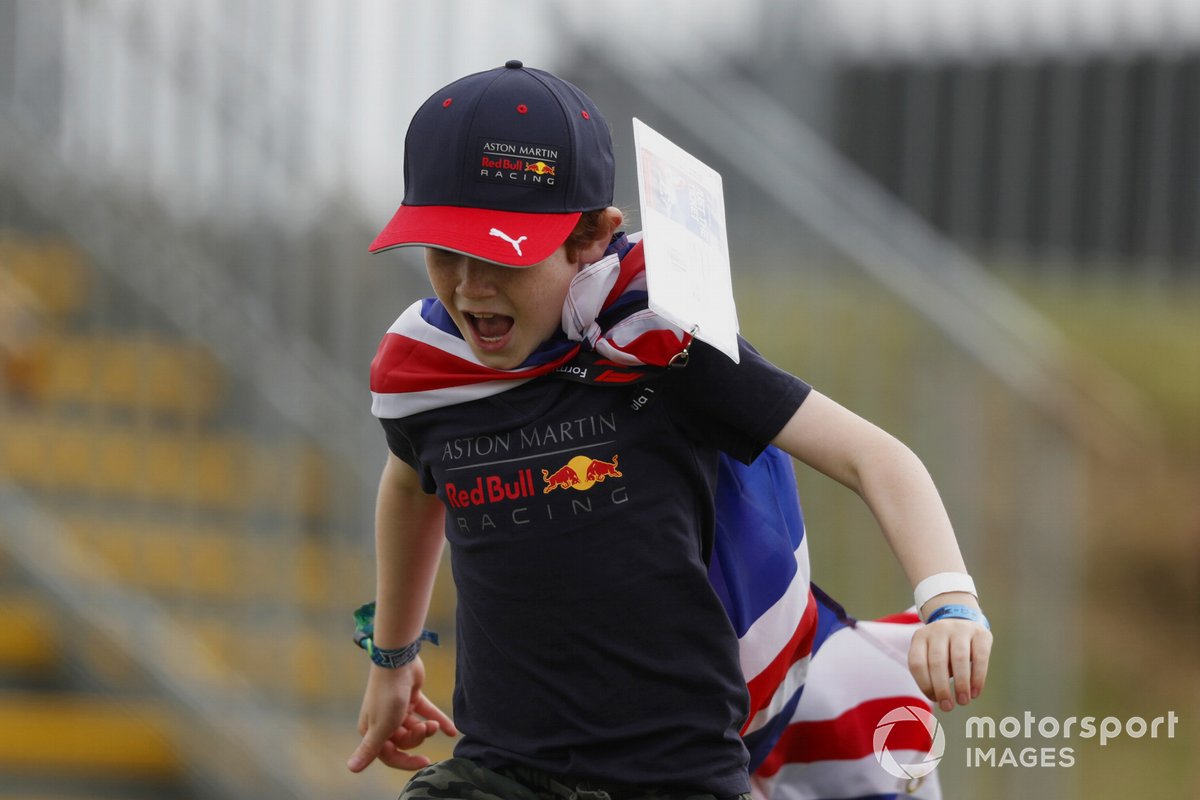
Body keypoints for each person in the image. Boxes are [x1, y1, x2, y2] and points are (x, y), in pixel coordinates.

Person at [347, 60, 992, 800]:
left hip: (677, 775)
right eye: (444, 252)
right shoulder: (427, 378)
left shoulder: (664, 345)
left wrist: (950, 601)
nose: (468, 287)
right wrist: (391, 660)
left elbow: (876, 457)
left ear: (591, 236)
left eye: (501, 254)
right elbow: (408, 487)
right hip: (499, 770)